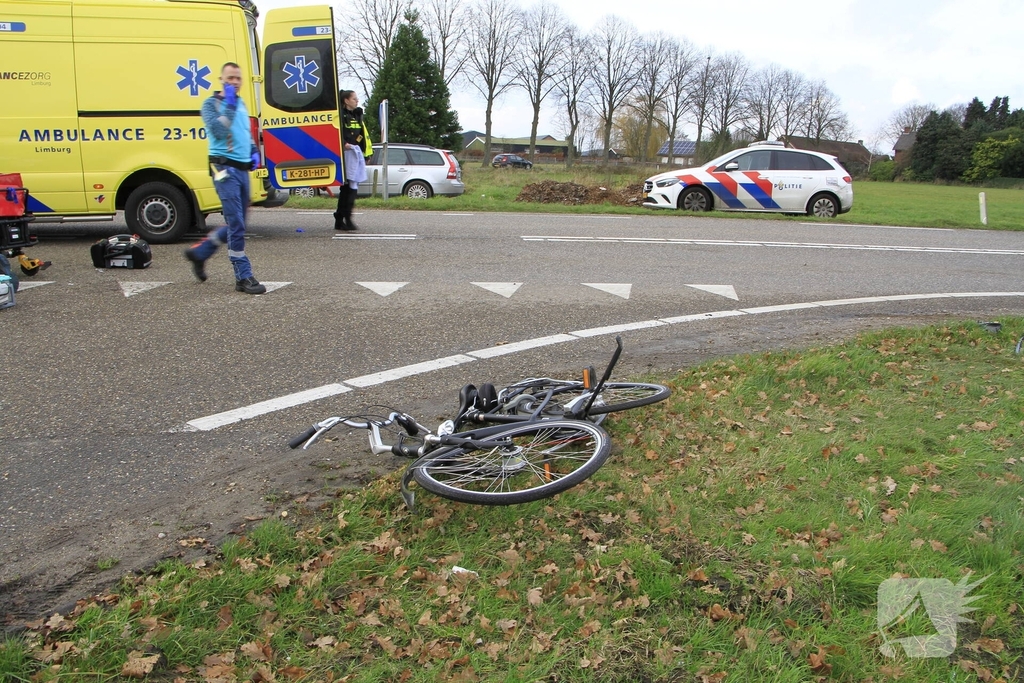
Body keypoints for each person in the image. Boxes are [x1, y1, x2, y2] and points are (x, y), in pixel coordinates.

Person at [183, 62, 266, 294]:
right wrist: (229, 105)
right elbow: (219, 132)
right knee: (236, 222)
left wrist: (253, 151)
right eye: (230, 78)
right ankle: (243, 276)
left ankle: (200, 252)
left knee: (238, 221)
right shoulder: (210, 104)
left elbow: (244, 132)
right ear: (221, 79)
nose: (234, 82)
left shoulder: (240, 103)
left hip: (241, 169)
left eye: (238, 78)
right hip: (222, 168)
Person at [334, 90, 372, 231]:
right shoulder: (341, 116)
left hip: (355, 155)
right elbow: (337, 133)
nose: (357, 101)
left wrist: (366, 154)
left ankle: (341, 218)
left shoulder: (357, 116)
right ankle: (344, 218)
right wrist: (344, 144)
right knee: (349, 188)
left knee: (349, 189)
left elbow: (362, 136)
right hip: (345, 155)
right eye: (354, 99)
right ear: (346, 101)